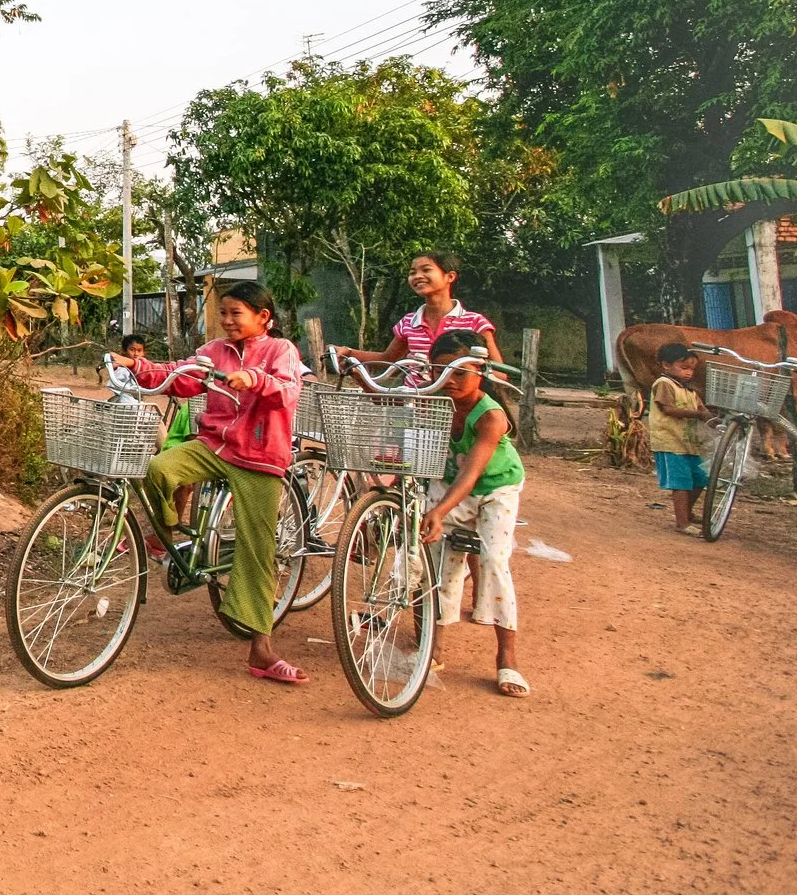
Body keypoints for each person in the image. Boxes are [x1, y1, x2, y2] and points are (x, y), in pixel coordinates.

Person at [113, 280, 308, 684]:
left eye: (236, 313)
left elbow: (289, 389)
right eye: (223, 313)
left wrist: (254, 380)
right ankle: (164, 536)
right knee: (158, 468)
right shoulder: (213, 352)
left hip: (259, 456)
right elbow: (178, 375)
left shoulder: (281, 350)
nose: (227, 320)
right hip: (213, 443)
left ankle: (261, 648)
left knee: (257, 550)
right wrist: (136, 367)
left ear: (263, 318)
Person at [420, 329, 531, 698]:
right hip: (450, 484)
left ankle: (507, 657)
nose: (449, 380)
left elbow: (473, 473)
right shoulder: (434, 400)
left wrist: (440, 509)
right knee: (437, 561)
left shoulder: (491, 417)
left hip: (495, 488)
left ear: (480, 372)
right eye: (440, 371)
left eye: (459, 373)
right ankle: (433, 648)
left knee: (494, 560)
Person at [331, 252, 504, 383]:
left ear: (450, 276)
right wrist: (349, 352)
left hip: (457, 410)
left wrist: (464, 378)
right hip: (415, 406)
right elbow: (388, 358)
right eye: (412, 272)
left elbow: (500, 373)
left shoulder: (474, 323)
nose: (417, 276)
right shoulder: (408, 322)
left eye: (426, 270)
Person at [647, 343, 712, 536]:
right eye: (684, 368)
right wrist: (698, 416)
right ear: (666, 365)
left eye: (692, 369)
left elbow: (703, 410)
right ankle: (682, 522)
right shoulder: (664, 384)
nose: (689, 373)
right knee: (681, 483)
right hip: (670, 442)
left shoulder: (690, 391)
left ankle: (687, 513)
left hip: (690, 444)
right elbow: (668, 409)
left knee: (701, 479)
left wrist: (714, 419)